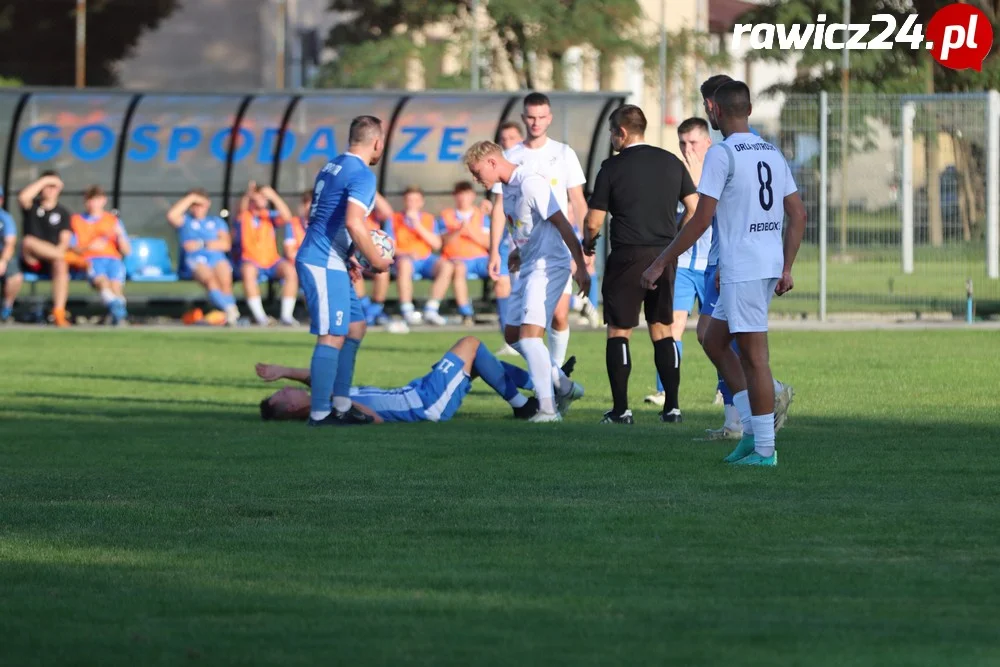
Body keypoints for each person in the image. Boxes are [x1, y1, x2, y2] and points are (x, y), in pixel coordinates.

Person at [640, 80, 807, 466]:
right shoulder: (771, 152)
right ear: (747, 109)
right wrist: (785, 266)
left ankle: (764, 448)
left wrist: (660, 261)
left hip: (746, 268)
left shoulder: (722, 154)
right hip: (753, 265)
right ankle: (752, 432)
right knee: (713, 338)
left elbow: (701, 219)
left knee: (754, 358)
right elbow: (798, 214)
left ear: (713, 110)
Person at [582, 105, 698, 425]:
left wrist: (587, 243)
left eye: (611, 132)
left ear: (622, 132)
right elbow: (694, 206)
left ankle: (621, 410)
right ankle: (672, 408)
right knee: (662, 329)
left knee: (619, 329)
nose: (610, 138)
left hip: (627, 256)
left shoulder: (611, 167)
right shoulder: (672, 163)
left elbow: (593, 221)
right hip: (664, 256)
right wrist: (675, 239)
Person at [465, 140, 587, 423]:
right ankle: (564, 387)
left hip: (549, 267)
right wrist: (520, 251)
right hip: (530, 264)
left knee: (530, 340)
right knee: (512, 336)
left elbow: (562, 224)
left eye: (477, 171)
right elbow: (530, 227)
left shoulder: (531, 183)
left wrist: (580, 265)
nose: (475, 178)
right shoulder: (507, 188)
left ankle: (547, 409)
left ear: (492, 162)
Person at [295, 115, 393, 427]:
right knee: (333, 335)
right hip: (322, 260)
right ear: (377, 143)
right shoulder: (363, 174)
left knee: (355, 327)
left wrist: (350, 254)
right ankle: (321, 414)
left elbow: (327, 218)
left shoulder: (333, 165)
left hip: (330, 257)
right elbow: (353, 221)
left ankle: (340, 404)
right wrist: (376, 261)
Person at [255, 338, 582, 424]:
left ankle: (547, 382)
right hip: (425, 404)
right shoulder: (331, 413)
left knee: (477, 360)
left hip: (420, 390)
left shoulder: (323, 403)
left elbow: (318, 377)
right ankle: (528, 403)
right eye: (282, 393)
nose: (286, 390)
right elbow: (376, 420)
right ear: (289, 407)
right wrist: (342, 403)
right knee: (470, 345)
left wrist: (283, 369)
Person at [488, 93, 589, 366]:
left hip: (557, 247)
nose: (536, 122)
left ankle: (555, 373)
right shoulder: (511, 155)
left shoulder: (563, 153)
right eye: (531, 117)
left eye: (541, 117)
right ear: (524, 118)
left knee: (558, 313)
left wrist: (586, 243)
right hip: (521, 251)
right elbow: (499, 206)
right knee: (524, 325)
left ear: (550, 118)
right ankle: (551, 376)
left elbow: (577, 200)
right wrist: (494, 250)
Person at [645, 117, 714, 408]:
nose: (688, 149)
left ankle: (726, 390)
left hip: (712, 264)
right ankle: (665, 392)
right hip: (683, 263)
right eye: (683, 143)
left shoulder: (717, 169)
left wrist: (698, 182)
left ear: (707, 143)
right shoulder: (674, 174)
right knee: (672, 327)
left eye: (693, 143)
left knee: (714, 333)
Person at [167, 189, 241, 326]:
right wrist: (191, 197)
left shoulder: (216, 222)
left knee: (225, 279)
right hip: (195, 259)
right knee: (210, 279)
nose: (197, 208)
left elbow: (225, 244)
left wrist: (202, 243)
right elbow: (172, 215)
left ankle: (227, 315)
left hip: (215, 257)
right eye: (194, 205)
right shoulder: (186, 221)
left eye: (200, 204)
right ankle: (230, 309)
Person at [424, 181, 491, 326]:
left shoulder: (481, 215)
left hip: (480, 259)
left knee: (502, 271)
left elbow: (488, 243)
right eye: (460, 194)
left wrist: (470, 231)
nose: (463, 198)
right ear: (455, 196)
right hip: (456, 258)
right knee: (458, 269)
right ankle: (465, 312)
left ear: (472, 195)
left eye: (466, 194)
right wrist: (458, 230)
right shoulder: (446, 216)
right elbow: (442, 243)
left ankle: (510, 310)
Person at [234, 182, 298, 326]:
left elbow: (287, 217)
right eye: (259, 196)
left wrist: (274, 197)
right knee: (248, 271)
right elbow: (241, 209)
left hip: (271, 261)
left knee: (290, 271)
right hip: (251, 261)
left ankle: (286, 316)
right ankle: (261, 317)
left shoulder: (269, 216)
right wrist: (248, 194)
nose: (262, 199)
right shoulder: (245, 216)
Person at [69, 186, 131, 325]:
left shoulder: (113, 221)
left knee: (115, 286)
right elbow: (71, 246)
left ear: (103, 201)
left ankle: (118, 315)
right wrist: (88, 247)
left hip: (113, 259)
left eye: (96, 199)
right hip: (90, 258)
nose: (93, 204)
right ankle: (119, 313)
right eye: (89, 200)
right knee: (102, 282)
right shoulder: (76, 221)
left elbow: (127, 250)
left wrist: (120, 235)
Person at [18, 171, 72, 327]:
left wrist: (58, 253)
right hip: (32, 259)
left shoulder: (63, 213)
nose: (49, 190)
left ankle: (59, 312)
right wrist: (45, 180)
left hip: (52, 261)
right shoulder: (32, 206)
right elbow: (23, 197)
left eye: (53, 186)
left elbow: (65, 240)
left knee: (61, 263)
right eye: (46, 186)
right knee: (28, 241)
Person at [492, 121, 522, 355]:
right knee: (502, 285)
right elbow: (498, 207)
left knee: (526, 292)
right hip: (508, 241)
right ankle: (509, 341)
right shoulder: (498, 169)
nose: (508, 143)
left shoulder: (528, 165)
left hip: (531, 243)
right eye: (503, 140)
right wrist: (493, 250)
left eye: (512, 138)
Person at [392, 186, 442, 325]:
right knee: (404, 264)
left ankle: (432, 309)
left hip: (426, 260)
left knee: (446, 265)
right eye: (409, 200)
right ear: (404, 201)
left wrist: (416, 224)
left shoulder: (428, 219)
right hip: (405, 258)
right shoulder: (394, 218)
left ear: (421, 202)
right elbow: (388, 246)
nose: (412, 203)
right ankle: (407, 309)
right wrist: (406, 253)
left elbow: (437, 244)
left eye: (416, 200)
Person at [352, 192, 394, 326]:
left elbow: (387, 212)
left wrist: (371, 190)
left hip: (370, 258)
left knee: (383, 272)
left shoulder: (372, 216)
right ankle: (364, 308)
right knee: (354, 271)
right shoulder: (350, 216)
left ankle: (375, 309)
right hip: (352, 257)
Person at [0, 187, 24, 323]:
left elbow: (10, 244)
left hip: (3, 256)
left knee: (16, 276)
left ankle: (6, 307)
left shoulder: (5, 218)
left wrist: (3, 261)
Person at [283, 191, 312, 262]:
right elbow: (290, 253)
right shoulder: (293, 223)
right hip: (295, 265)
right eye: (305, 203)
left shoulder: (324, 226)